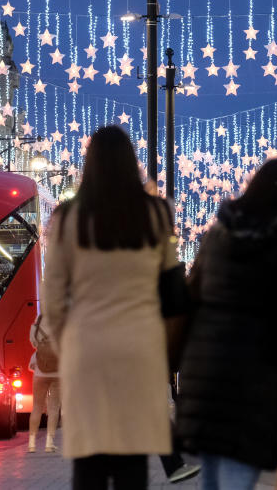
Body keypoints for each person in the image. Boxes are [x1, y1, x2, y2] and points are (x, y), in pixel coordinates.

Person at [41, 126, 178, 490]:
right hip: (141, 349)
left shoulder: (68, 218)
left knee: (90, 463)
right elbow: (173, 292)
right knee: (132, 462)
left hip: (87, 349)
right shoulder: (156, 215)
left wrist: (65, 342)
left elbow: (53, 298)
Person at [176, 159, 277, 490]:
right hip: (254, 375)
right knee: (238, 474)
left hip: (205, 369)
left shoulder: (219, 234)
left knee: (212, 475)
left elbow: (191, 294)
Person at [27, 313, 62, 453]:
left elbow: (34, 343)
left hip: (40, 370)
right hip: (58, 372)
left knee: (37, 406)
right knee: (53, 408)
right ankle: (49, 443)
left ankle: (31, 443)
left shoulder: (36, 325)